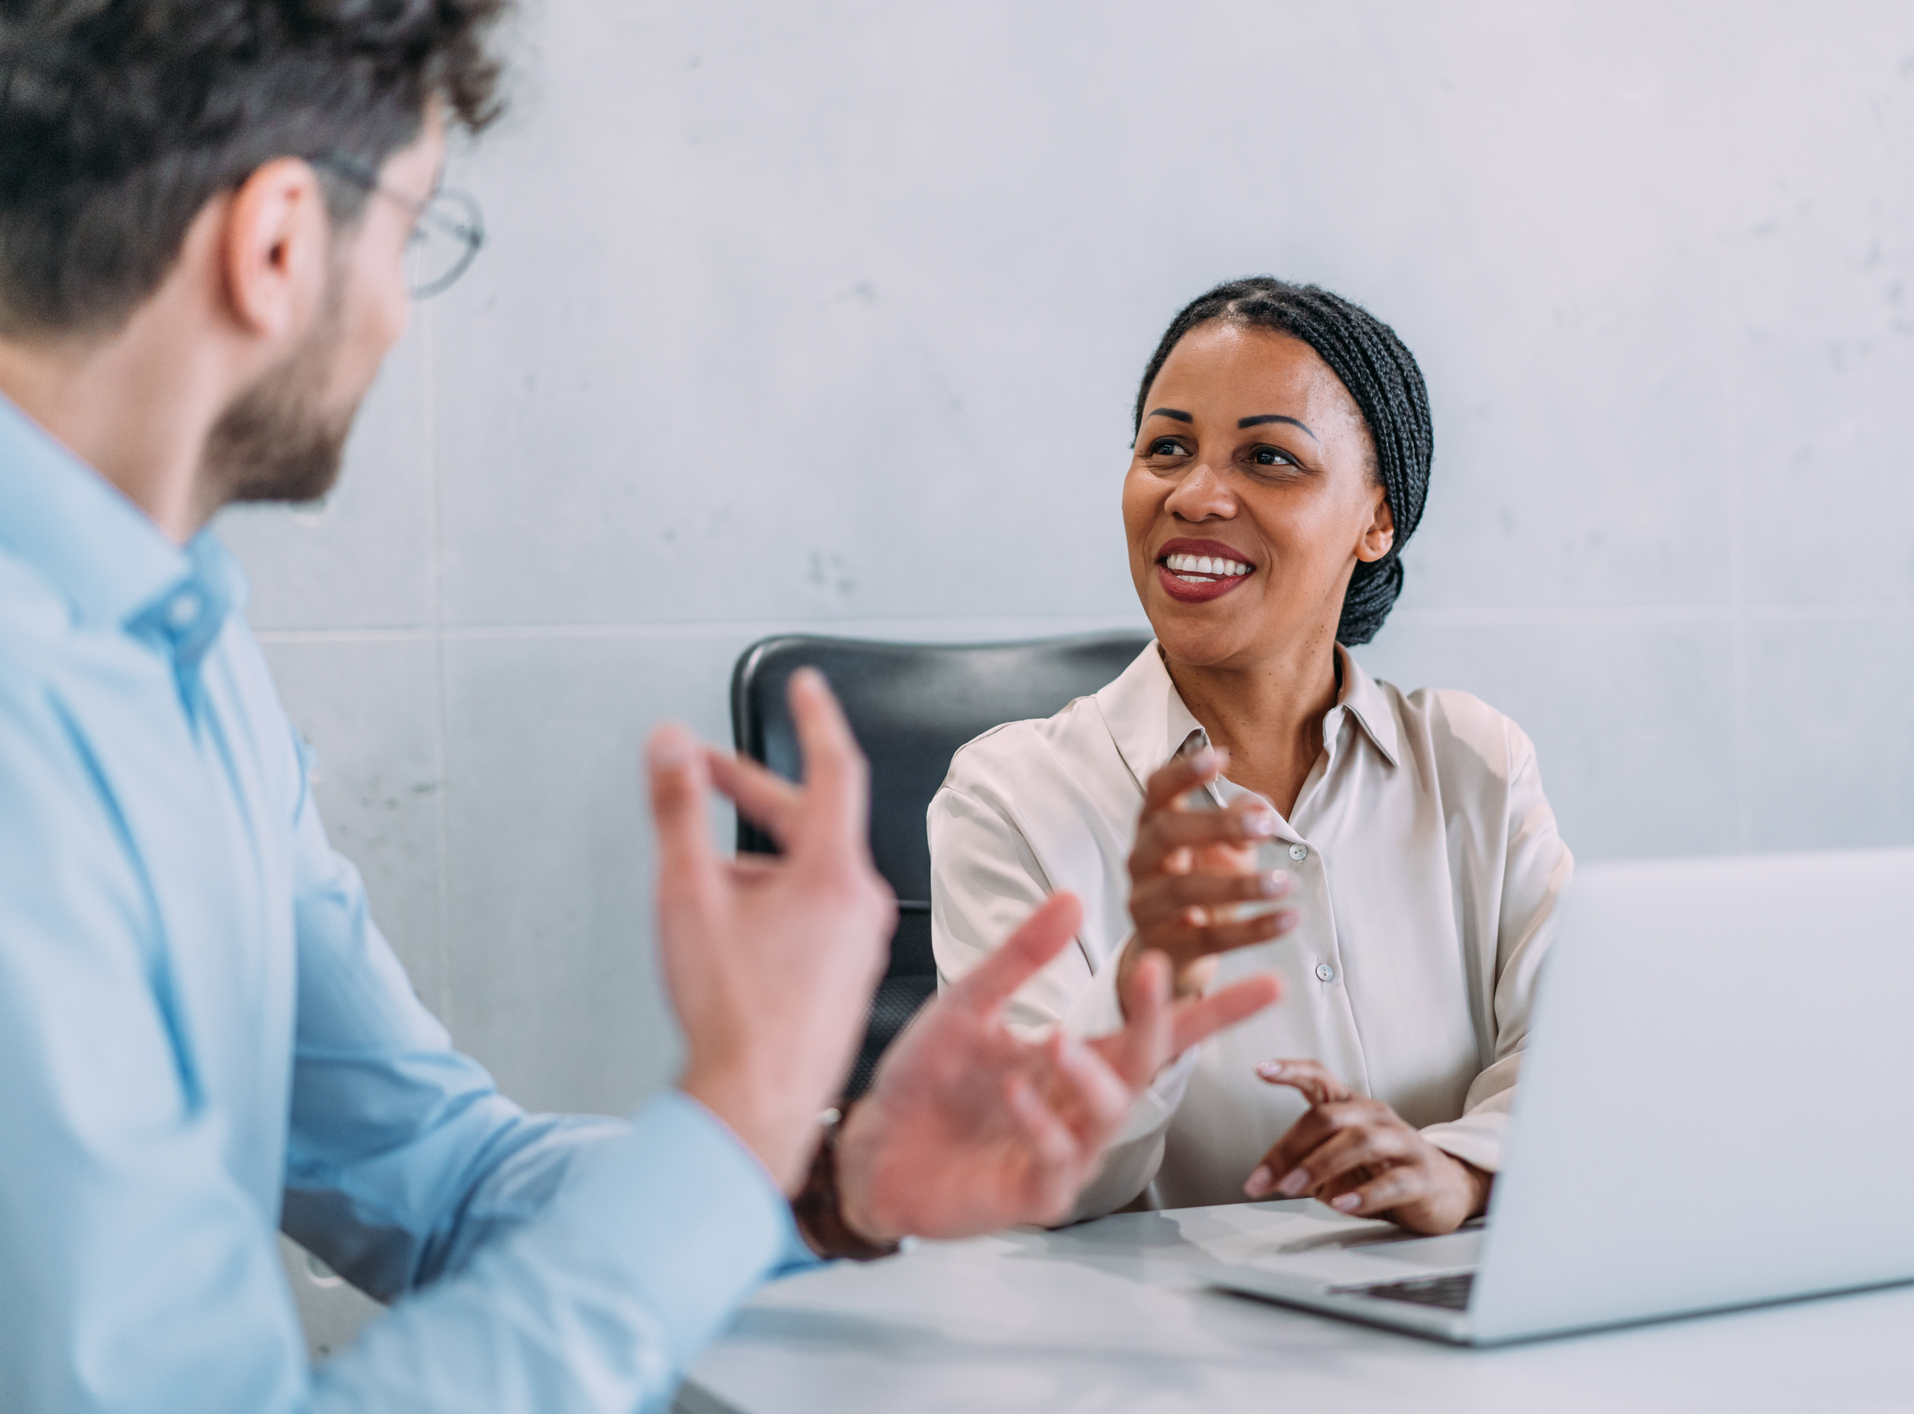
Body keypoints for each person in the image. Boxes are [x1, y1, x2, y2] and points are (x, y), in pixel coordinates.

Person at [0, 6, 1281, 1411]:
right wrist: (738, 1100)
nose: (397, 316)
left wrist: (820, 1175)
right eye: (414, 235)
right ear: (277, 245)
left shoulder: (183, 652)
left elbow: (437, 1176)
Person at [931, 276, 1575, 1234]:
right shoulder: (1008, 798)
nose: (1193, 495)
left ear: (1377, 521)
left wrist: (1458, 1169)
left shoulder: (1474, 762)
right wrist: (1150, 984)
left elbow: (1572, 1053)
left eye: (1269, 457)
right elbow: (1023, 1175)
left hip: (1444, 1314)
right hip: (1150, 1330)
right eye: (1166, 449)